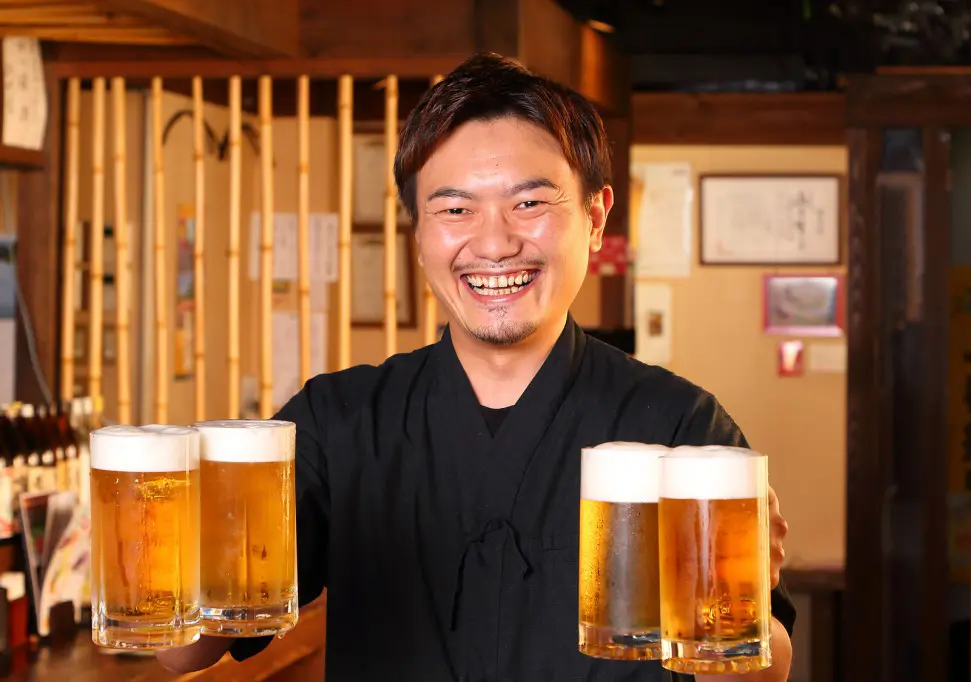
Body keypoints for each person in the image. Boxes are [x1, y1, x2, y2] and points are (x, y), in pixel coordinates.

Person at [156, 51, 796, 681]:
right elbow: (184, 653)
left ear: (596, 218)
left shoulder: (678, 424)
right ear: (419, 234)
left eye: (530, 204)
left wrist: (733, 595)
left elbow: (763, 671)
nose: (493, 243)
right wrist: (176, 542)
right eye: (455, 209)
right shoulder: (338, 422)